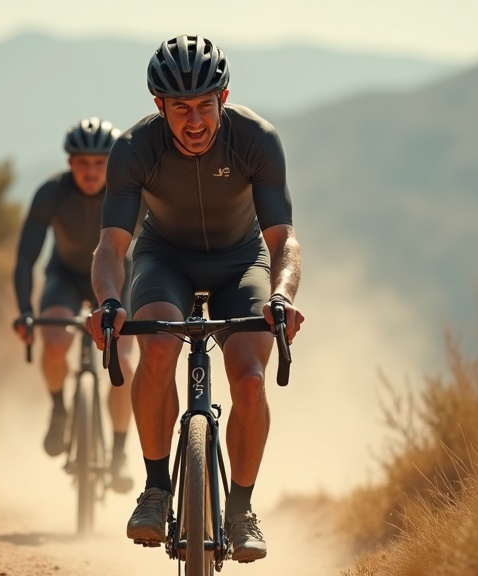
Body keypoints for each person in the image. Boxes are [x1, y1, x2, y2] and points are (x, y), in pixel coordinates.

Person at [85, 35, 304, 563]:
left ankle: (242, 509)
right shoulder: (135, 150)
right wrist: (110, 303)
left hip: (241, 260)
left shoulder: (257, 140)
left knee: (249, 379)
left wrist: (281, 294)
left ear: (223, 98)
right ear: (158, 106)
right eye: (180, 108)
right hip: (166, 258)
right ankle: (157, 488)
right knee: (158, 346)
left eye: (205, 104)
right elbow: (112, 247)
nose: (195, 120)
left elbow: (283, 242)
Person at [13, 117, 137, 492]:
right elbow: (25, 259)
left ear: (112, 163)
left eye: (100, 163)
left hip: (117, 278)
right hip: (65, 277)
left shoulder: (127, 192)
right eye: (82, 162)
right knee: (53, 343)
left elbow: (150, 247)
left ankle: (118, 453)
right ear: (70, 163)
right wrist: (24, 311)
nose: (91, 171)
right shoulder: (51, 193)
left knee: (125, 364)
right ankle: (59, 408)